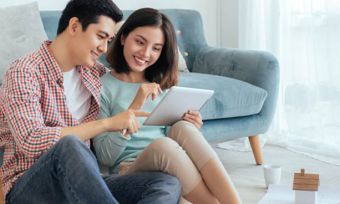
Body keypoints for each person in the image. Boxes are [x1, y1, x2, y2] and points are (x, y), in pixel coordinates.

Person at [0, 1, 182, 203]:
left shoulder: (95, 75)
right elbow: (31, 140)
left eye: (109, 40)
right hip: (30, 186)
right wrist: (106, 124)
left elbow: (128, 83)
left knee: (165, 183)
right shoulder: (24, 72)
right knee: (70, 145)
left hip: (85, 182)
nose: (104, 48)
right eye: (101, 37)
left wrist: (179, 114)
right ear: (75, 26)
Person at [93, 8, 242, 204]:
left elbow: (174, 139)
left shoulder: (160, 87)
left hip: (167, 167)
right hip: (128, 170)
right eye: (140, 42)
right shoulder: (102, 87)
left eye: (156, 48)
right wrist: (135, 106)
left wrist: (189, 123)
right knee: (163, 146)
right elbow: (106, 157)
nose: (146, 53)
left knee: (183, 128)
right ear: (123, 38)